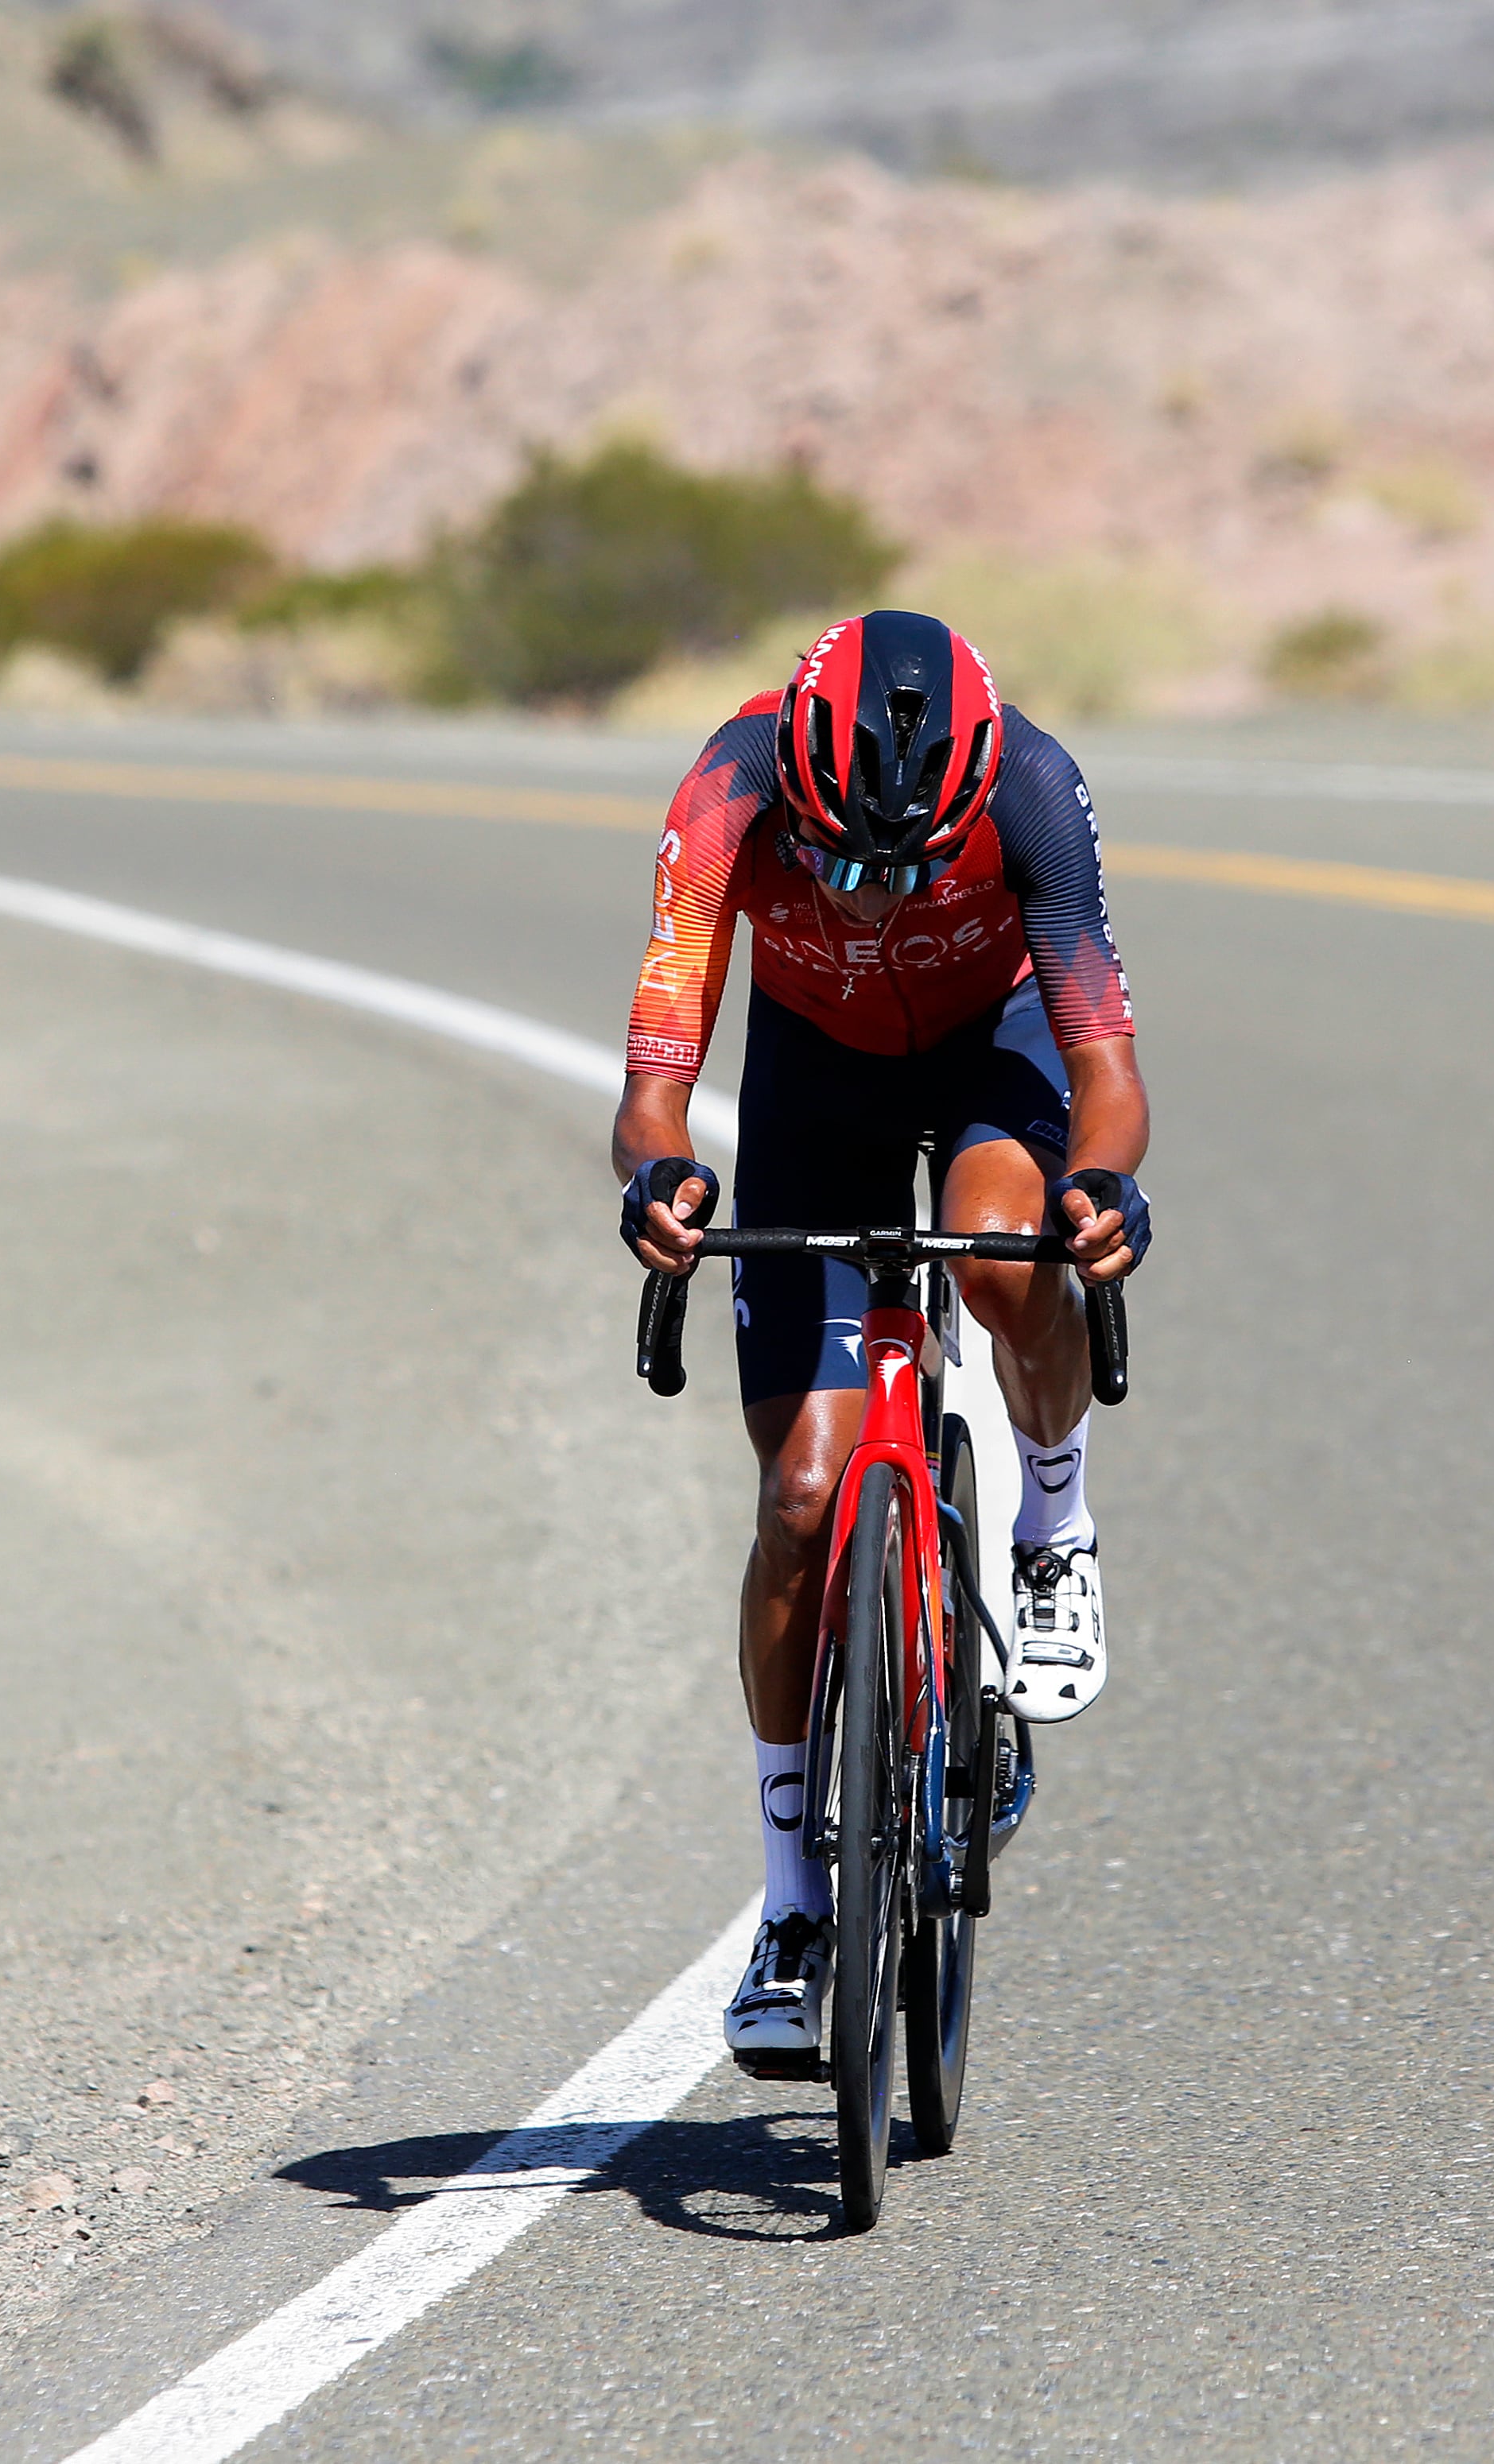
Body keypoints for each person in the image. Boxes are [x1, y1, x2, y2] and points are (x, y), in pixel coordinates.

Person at [611, 608, 1151, 2069]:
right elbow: (658, 1071)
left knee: (998, 1254)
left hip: (996, 1050)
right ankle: (791, 1911)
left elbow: (1105, 1071)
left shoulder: (1032, 787)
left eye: (902, 869)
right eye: (838, 860)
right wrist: (659, 1176)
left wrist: (1100, 1191)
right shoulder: (727, 787)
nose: (864, 898)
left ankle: (1052, 1525)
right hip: (813, 1080)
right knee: (798, 1498)